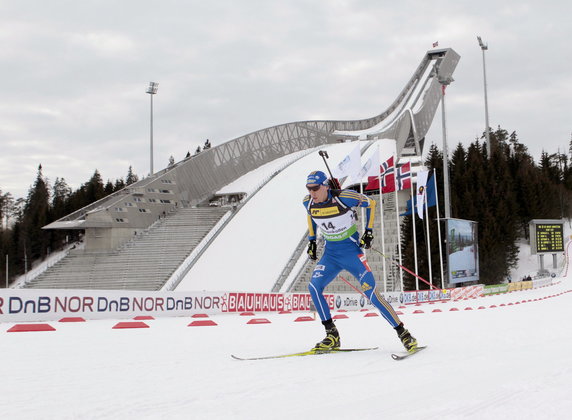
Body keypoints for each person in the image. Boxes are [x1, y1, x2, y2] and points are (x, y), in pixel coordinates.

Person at [303, 170, 418, 353]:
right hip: (330, 255)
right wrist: (311, 241)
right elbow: (310, 215)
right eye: (309, 189)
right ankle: (331, 334)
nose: (312, 193)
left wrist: (369, 231)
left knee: (371, 293)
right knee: (314, 287)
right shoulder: (307, 202)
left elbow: (371, 203)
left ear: (325, 186)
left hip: (351, 254)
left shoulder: (345, 197)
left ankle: (403, 333)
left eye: (315, 188)